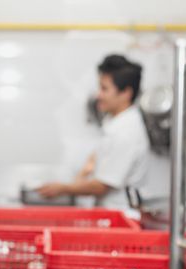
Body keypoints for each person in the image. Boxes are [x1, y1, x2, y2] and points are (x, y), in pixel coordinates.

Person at [37, 54, 150, 209]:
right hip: (108, 212)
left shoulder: (127, 132)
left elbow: (103, 186)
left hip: (122, 215)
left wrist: (63, 189)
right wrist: (80, 177)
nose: (98, 95)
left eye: (105, 89)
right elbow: (96, 160)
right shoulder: (114, 122)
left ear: (126, 93)